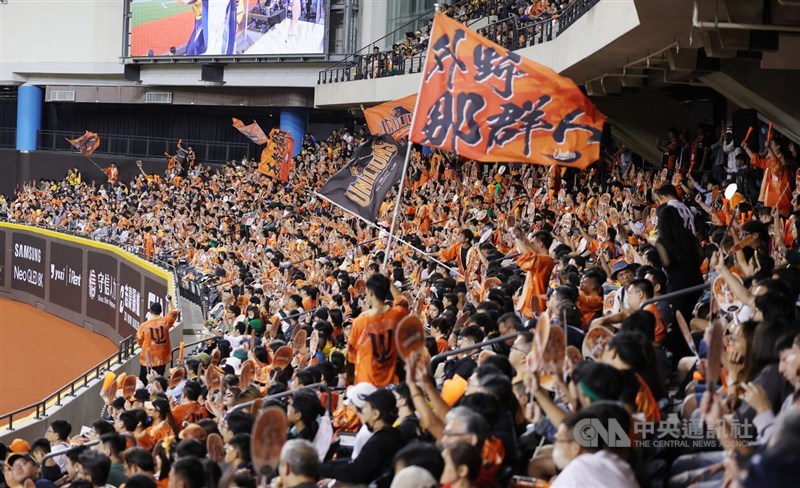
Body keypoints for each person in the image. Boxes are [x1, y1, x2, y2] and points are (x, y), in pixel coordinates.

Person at [318, 388, 405, 487]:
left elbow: (355, 472)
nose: (362, 411)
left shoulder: (379, 442)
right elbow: (358, 464)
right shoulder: (394, 434)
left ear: (376, 414)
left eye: (366, 407)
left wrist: (319, 469)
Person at [346, 274, 409, 387]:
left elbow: (351, 355)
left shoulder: (360, 322)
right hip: (390, 382)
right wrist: (389, 283)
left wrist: (351, 381)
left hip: (367, 383)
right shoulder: (396, 315)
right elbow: (403, 301)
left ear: (370, 293)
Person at [136, 300, 178, 384]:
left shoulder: (144, 326)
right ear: (161, 311)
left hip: (148, 359)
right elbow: (174, 312)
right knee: (159, 380)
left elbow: (139, 341)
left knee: (143, 381)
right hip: (162, 357)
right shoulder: (166, 321)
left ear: (150, 312)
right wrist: (170, 302)